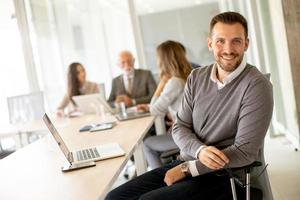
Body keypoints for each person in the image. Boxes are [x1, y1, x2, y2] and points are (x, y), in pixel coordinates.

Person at [105, 11, 273, 200]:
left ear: (246, 44)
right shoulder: (197, 77)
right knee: (114, 197)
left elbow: (244, 152)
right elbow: (180, 127)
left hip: (226, 176)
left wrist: (188, 169)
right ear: (210, 43)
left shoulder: (256, 85)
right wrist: (199, 152)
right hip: (187, 161)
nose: (228, 49)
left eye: (236, 41)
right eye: (220, 41)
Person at [137, 40, 192, 169]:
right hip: (192, 132)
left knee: (147, 144)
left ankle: (160, 180)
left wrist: (161, 84)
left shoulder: (175, 82)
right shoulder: (188, 77)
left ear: (163, 60)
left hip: (185, 136)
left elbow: (155, 111)